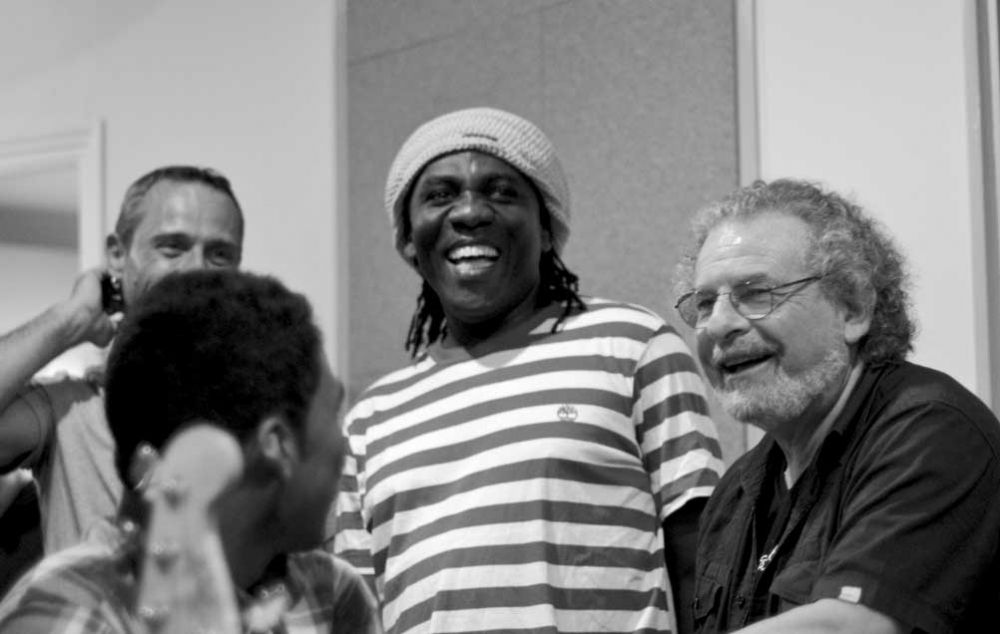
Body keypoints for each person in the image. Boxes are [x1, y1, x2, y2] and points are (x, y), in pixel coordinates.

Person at [332, 106, 724, 633]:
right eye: (440, 195)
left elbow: (703, 564)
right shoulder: (369, 421)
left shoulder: (634, 346)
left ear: (546, 228)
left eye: (500, 192)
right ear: (408, 238)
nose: (469, 212)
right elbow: (355, 619)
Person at [673, 178, 1000, 633]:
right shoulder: (734, 494)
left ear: (853, 309)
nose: (718, 325)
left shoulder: (934, 432)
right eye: (705, 303)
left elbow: (847, 627)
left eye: (756, 293)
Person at [0, 269, 381, 633]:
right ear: (278, 444)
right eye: (333, 412)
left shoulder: (332, 597)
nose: (343, 445)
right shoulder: (70, 614)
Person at [0, 165, 244, 554]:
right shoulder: (70, 410)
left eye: (220, 254)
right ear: (118, 255)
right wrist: (69, 320)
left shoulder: (267, 411)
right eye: (172, 248)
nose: (197, 270)